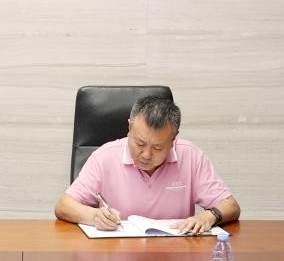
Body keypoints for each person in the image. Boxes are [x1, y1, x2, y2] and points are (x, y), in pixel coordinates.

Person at [55, 95, 240, 234]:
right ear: (129, 128)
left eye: (158, 147)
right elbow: (63, 206)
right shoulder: (104, 157)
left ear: (173, 139)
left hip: (175, 255)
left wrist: (209, 216)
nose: (146, 154)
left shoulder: (191, 156)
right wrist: (95, 216)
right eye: (140, 143)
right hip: (119, 256)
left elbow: (231, 206)